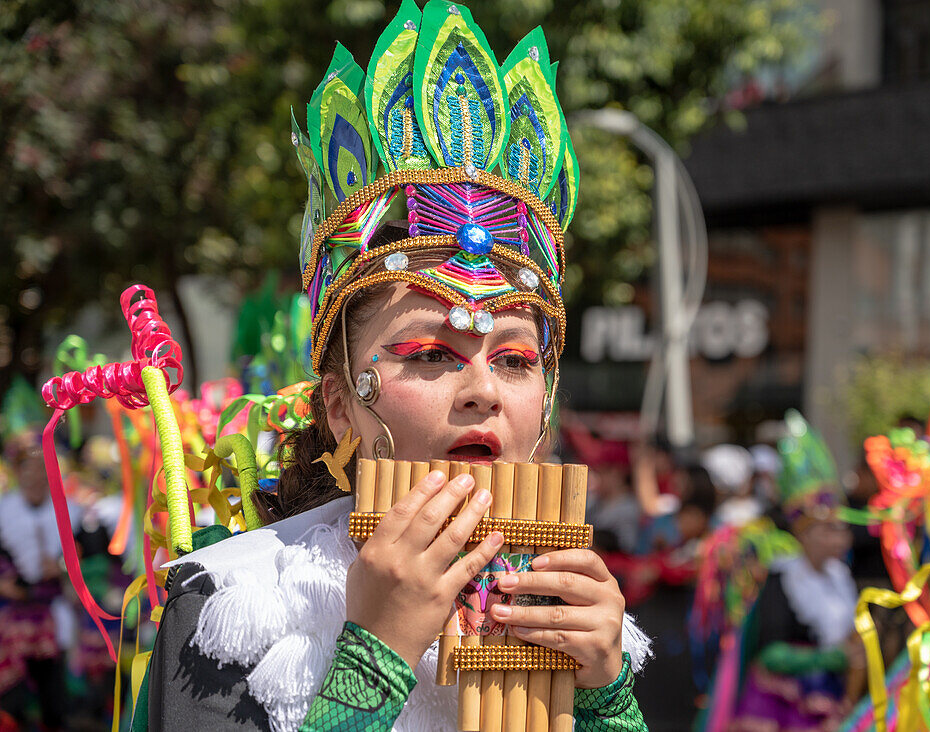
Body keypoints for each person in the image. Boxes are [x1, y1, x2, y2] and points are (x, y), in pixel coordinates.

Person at [140, 2, 650, 730]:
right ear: (341, 404)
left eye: (514, 359)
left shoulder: (578, 614)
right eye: (432, 354)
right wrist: (375, 653)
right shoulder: (232, 604)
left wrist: (607, 698)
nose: (483, 392)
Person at [734, 411, 860, 732]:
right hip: (780, 701)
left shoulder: (840, 578)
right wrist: (832, 659)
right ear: (804, 534)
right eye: (829, 530)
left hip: (827, 694)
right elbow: (769, 653)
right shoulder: (783, 577)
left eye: (842, 529)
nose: (840, 538)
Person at [0, 434, 71, 731]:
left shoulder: (69, 510)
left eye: (42, 468)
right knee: (11, 698)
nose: (35, 475)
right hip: (9, 615)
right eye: (28, 467)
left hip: (51, 613)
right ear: (18, 472)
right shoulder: (4, 511)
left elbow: (82, 558)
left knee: (52, 694)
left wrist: (61, 567)